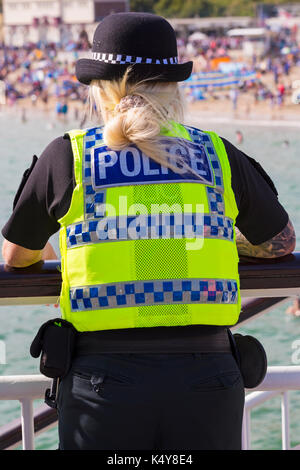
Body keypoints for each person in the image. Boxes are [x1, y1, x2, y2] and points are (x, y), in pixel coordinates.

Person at [1, 13, 296, 451]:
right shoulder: (217, 155)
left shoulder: (70, 157)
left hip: (102, 381)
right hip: (208, 377)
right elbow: (282, 244)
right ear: (172, 86)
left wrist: (53, 251)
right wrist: (207, 237)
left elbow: (16, 257)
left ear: (101, 89)